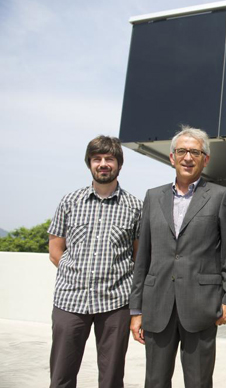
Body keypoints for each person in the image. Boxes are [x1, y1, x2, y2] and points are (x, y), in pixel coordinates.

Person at [129, 126, 226, 388]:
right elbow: (142, 258)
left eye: (195, 152)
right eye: (182, 151)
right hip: (157, 307)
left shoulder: (219, 196)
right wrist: (136, 310)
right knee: (155, 382)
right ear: (172, 157)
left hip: (201, 307)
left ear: (206, 159)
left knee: (199, 382)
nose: (188, 157)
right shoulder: (153, 197)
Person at [47, 136, 143, 388]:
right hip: (70, 301)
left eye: (109, 159)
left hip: (115, 303)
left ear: (119, 164)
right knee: (61, 375)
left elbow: (138, 256)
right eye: (97, 159)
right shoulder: (70, 202)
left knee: (111, 378)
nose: (103, 164)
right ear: (89, 163)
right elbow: (55, 250)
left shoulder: (134, 206)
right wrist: (76, 273)